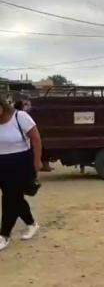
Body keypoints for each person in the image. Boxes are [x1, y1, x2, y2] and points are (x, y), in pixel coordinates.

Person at [0, 97, 42, 251]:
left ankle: (4, 235)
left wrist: (37, 161)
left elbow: (36, 139)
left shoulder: (20, 117)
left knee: (10, 198)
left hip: (20, 162)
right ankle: (32, 224)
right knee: (15, 198)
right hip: (1, 162)